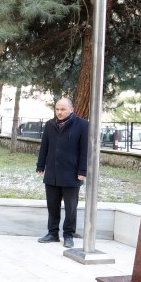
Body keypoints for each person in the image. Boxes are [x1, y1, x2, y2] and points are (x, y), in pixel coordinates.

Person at [35, 97, 89, 248]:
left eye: (63, 109)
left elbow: (85, 150)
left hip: (72, 174)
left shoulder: (83, 125)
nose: (59, 112)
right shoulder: (50, 125)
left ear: (71, 110)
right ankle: (52, 233)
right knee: (52, 206)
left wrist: (82, 171)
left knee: (71, 208)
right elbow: (44, 146)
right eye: (57, 109)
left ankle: (68, 235)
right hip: (52, 173)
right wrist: (40, 166)